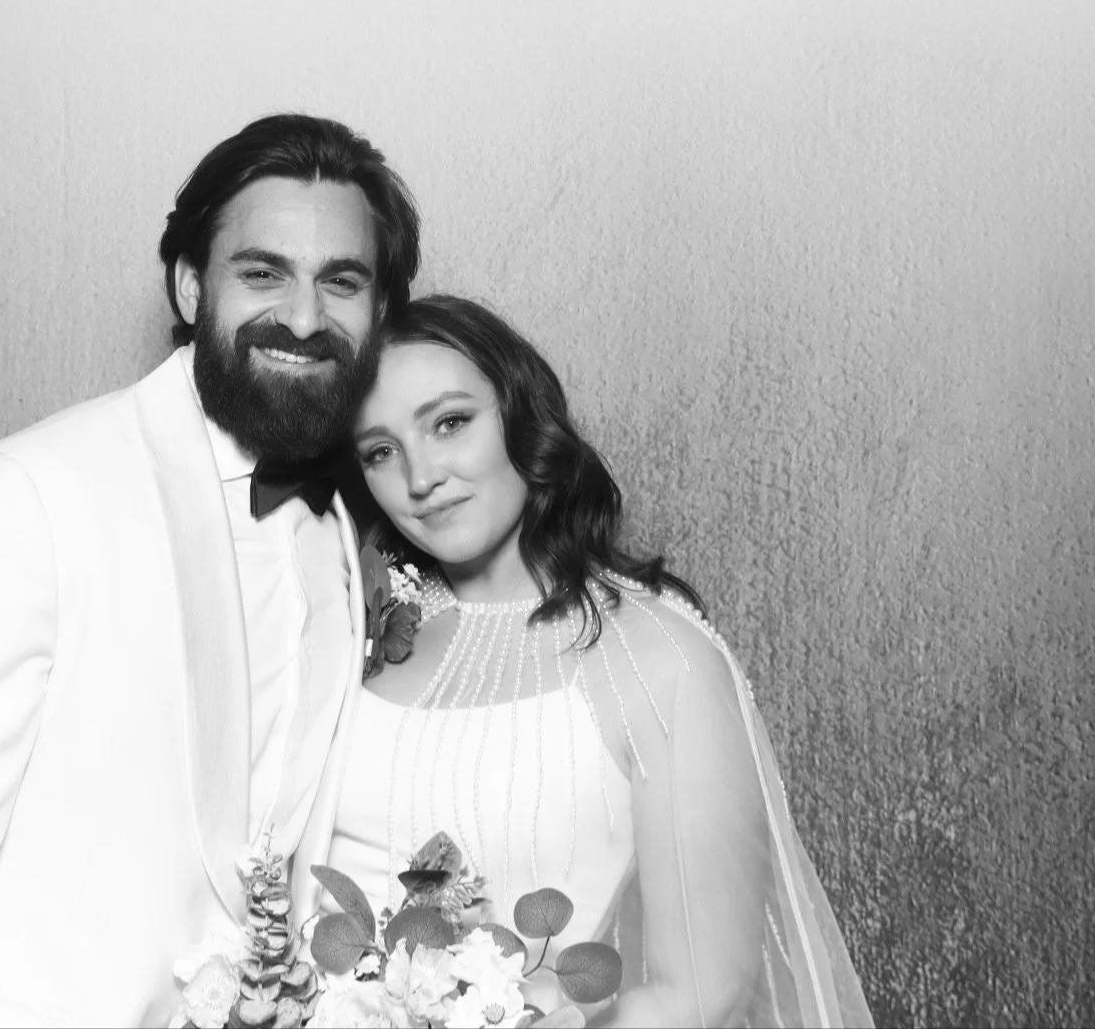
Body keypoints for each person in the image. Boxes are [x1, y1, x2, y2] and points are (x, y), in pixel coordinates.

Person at [0, 114, 422, 1027]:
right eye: (262, 272)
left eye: (341, 281)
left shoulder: (341, 527)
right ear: (188, 286)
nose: (303, 317)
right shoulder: (26, 497)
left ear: (380, 312)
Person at [326, 295, 871, 1028]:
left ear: (522, 414)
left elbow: (703, 992)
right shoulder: (352, 629)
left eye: (450, 422)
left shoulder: (657, 655)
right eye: (380, 451)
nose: (419, 475)